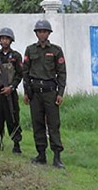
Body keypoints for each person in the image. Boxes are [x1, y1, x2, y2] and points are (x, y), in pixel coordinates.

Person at [23, 20, 67, 168]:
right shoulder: (30, 50)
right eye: (39, 31)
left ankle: (57, 156)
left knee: (53, 124)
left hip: (50, 92)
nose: (42, 34)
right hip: (35, 93)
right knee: (37, 123)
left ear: (48, 33)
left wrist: (60, 92)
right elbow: (25, 72)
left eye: (44, 31)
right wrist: (26, 92)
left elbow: (61, 73)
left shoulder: (56, 50)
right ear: (36, 33)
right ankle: (41, 154)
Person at [0, 27, 23, 154]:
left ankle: (16, 144)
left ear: (11, 40)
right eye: (2, 38)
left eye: (7, 38)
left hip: (10, 93)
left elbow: (20, 74)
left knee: (13, 118)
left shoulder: (16, 56)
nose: (4, 41)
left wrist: (11, 87)